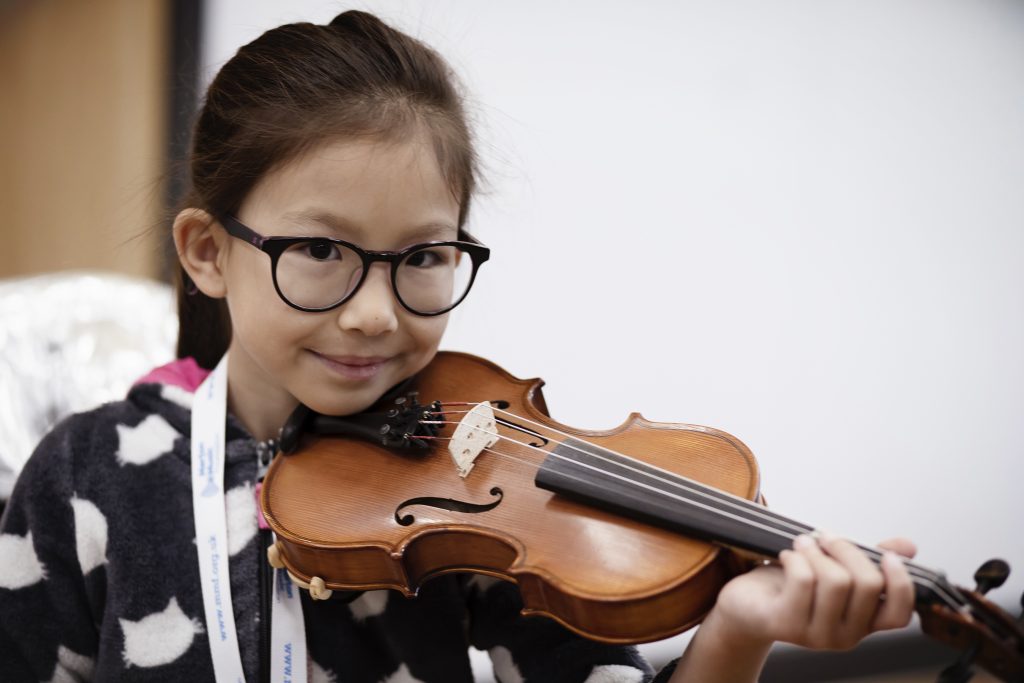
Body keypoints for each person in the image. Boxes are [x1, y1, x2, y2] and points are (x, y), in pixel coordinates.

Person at [0, 10, 917, 683]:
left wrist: (739, 631)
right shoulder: (85, 477)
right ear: (208, 251)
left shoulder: (479, 498)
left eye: (423, 258)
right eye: (321, 251)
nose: (373, 313)